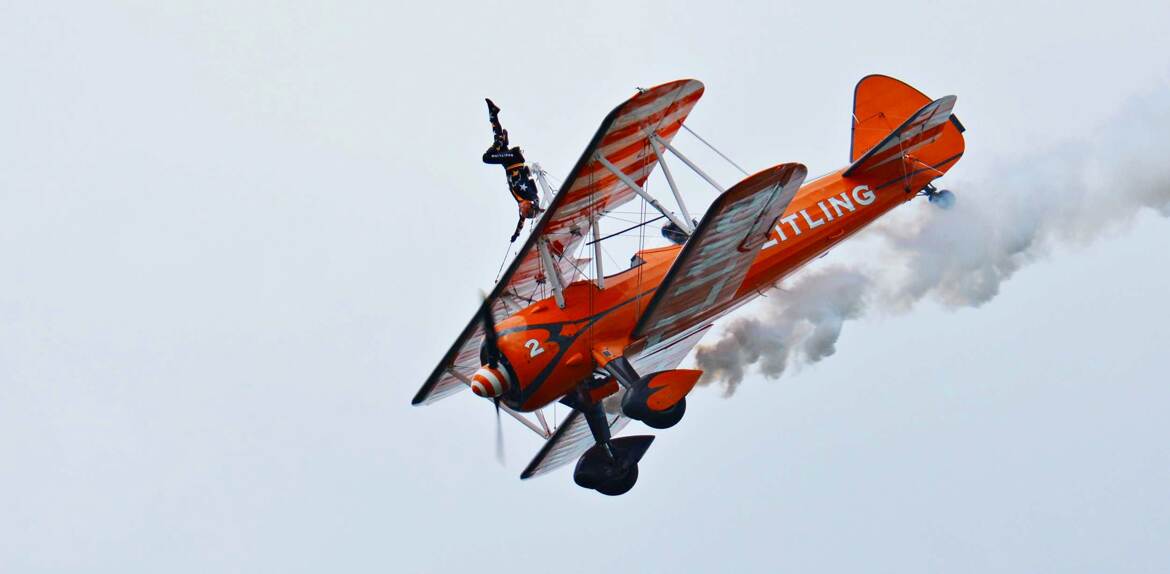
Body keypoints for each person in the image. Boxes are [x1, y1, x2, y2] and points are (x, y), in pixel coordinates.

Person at [482, 98, 542, 242]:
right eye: (524, 209)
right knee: (487, 157)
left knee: (497, 136)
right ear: (530, 205)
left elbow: (522, 221)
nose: (520, 209)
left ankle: (493, 113)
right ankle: (502, 141)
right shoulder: (531, 196)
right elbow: (536, 203)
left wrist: (516, 234)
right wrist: (540, 210)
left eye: (522, 211)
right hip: (513, 161)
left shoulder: (521, 202)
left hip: (508, 165)